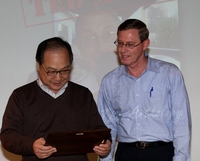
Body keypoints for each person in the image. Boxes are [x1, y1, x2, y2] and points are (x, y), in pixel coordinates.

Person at [0, 37, 111, 161]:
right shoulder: (21, 96)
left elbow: (98, 129)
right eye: (51, 71)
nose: (58, 78)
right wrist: (31, 146)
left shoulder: (83, 94)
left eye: (64, 71)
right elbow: (7, 136)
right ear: (38, 65)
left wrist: (105, 144)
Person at [97, 19, 191, 161]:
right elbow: (107, 125)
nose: (123, 50)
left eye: (130, 44)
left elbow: (181, 122)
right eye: (120, 43)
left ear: (145, 44)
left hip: (161, 152)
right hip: (125, 153)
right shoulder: (110, 81)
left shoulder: (169, 74)